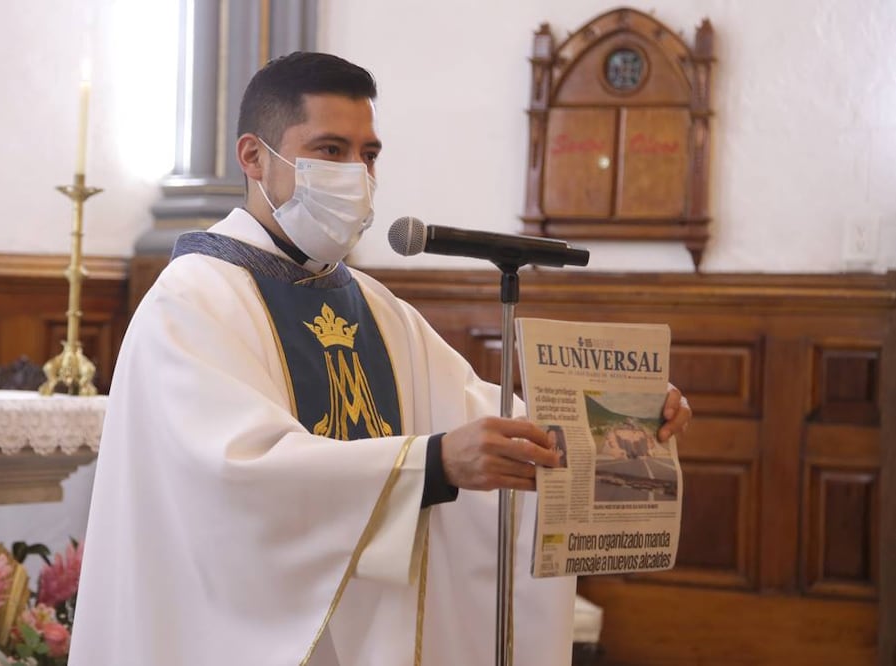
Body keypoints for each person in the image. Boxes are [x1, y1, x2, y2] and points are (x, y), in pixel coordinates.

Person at [69, 51, 692, 666]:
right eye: (330, 150)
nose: (356, 174)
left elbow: (492, 422)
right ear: (254, 157)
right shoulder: (193, 300)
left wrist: (618, 421)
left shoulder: (373, 304)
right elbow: (234, 476)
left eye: (368, 155)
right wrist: (432, 463)